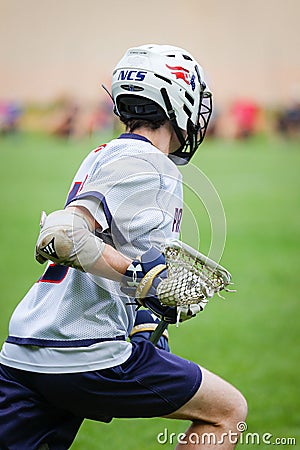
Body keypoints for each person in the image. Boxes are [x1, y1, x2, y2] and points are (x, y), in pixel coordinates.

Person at [0, 44, 247, 449]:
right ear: (177, 101)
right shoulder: (147, 161)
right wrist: (142, 278)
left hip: (25, 350)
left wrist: (139, 313)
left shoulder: (106, 153)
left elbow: (107, 242)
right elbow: (64, 235)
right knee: (226, 412)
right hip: (84, 353)